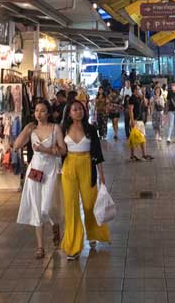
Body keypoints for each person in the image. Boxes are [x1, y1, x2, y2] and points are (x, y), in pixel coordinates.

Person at [15, 100, 66, 258]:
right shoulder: (32, 129)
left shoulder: (55, 128)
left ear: (48, 113)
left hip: (51, 169)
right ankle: (40, 246)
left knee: (48, 206)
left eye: (42, 111)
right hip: (35, 170)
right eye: (36, 110)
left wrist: (48, 150)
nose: (39, 113)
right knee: (37, 207)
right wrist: (25, 130)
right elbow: (16, 145)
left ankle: (55, 224)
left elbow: (63, 150)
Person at [61, 101, 110, 259]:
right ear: (69, 113)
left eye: (80, 109)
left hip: (87, 166)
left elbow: (98, 153)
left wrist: (102, 175)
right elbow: (59, 150)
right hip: (68, 168)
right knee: (71, 206)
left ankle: (94, 233)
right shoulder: (63, 129)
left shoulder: (90, 129)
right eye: (74, 109)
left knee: (89, 203)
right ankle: (73, 246)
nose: (78, 112)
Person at [128, 85, 153, 161]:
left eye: (139, 89)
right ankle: (139, 155)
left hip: (140, 120)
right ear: (134, 90)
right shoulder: (132, 98)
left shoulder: (139, 97)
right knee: (136, 138)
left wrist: (143, 95)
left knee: (140, 137)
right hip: (135, 120)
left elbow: (145, 104)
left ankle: (142, 154)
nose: (139, 90)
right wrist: (132, 120)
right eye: (138, 89)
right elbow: (130, 110)